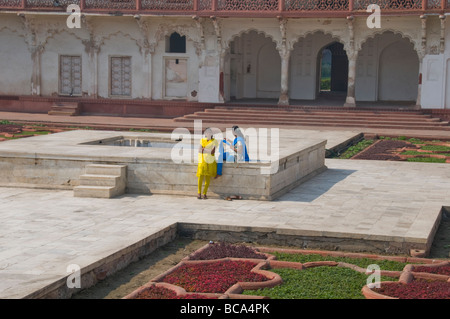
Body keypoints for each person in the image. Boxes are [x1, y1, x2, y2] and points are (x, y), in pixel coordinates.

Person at [196, 128, 218, 199]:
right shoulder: (202, 140)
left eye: (209, 133)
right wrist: (206, 150)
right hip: (202, 161)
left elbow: (212, 152)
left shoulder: (214, 141)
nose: (208, 134)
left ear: (211, 134)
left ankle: (204, 193)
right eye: (206, 133)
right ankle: (199, 193)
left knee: (207, 178)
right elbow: (199, 150)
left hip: (210, 161)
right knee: (200, 176)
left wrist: (204, 149)